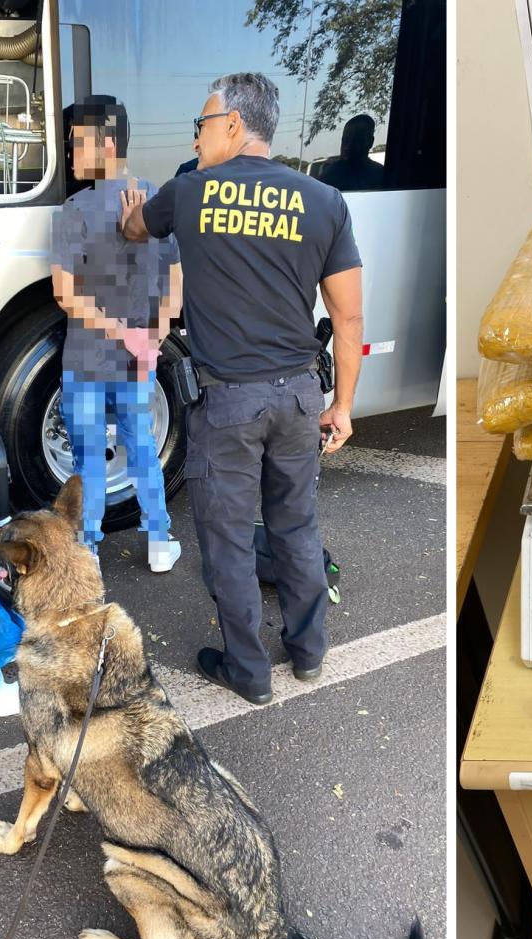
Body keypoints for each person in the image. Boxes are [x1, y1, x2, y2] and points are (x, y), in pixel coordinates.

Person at [120, 72, 365, 706]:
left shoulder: (189, 193)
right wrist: (342, 405)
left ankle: (248, 672)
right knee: (296, 527)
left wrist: (127, 216)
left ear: (233, 125)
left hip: (228, 403)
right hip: (300, 398)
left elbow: (135, 231)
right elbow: (349, 316)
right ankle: (309, 654)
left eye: (200, 125)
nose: (196, 139)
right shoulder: (324, 200)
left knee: (227, 539)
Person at [50, 96, 185, 572]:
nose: (69, 153)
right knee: (143, 447)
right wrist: (153, 336)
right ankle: (158, 542)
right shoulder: (158, 200)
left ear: (106, 144)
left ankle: (88, 548)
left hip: (86, 361)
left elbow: (64, 295)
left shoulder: (74, 210)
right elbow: (176, 282)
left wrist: (119, 332)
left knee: (88, 459)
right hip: (137, 364)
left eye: (76, 143)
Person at [317, 114, 385, 192]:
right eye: (345, 140)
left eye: (356, 141)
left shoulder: (381, 175)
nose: (347, 147)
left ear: (370, 142)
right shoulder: (330, 175)